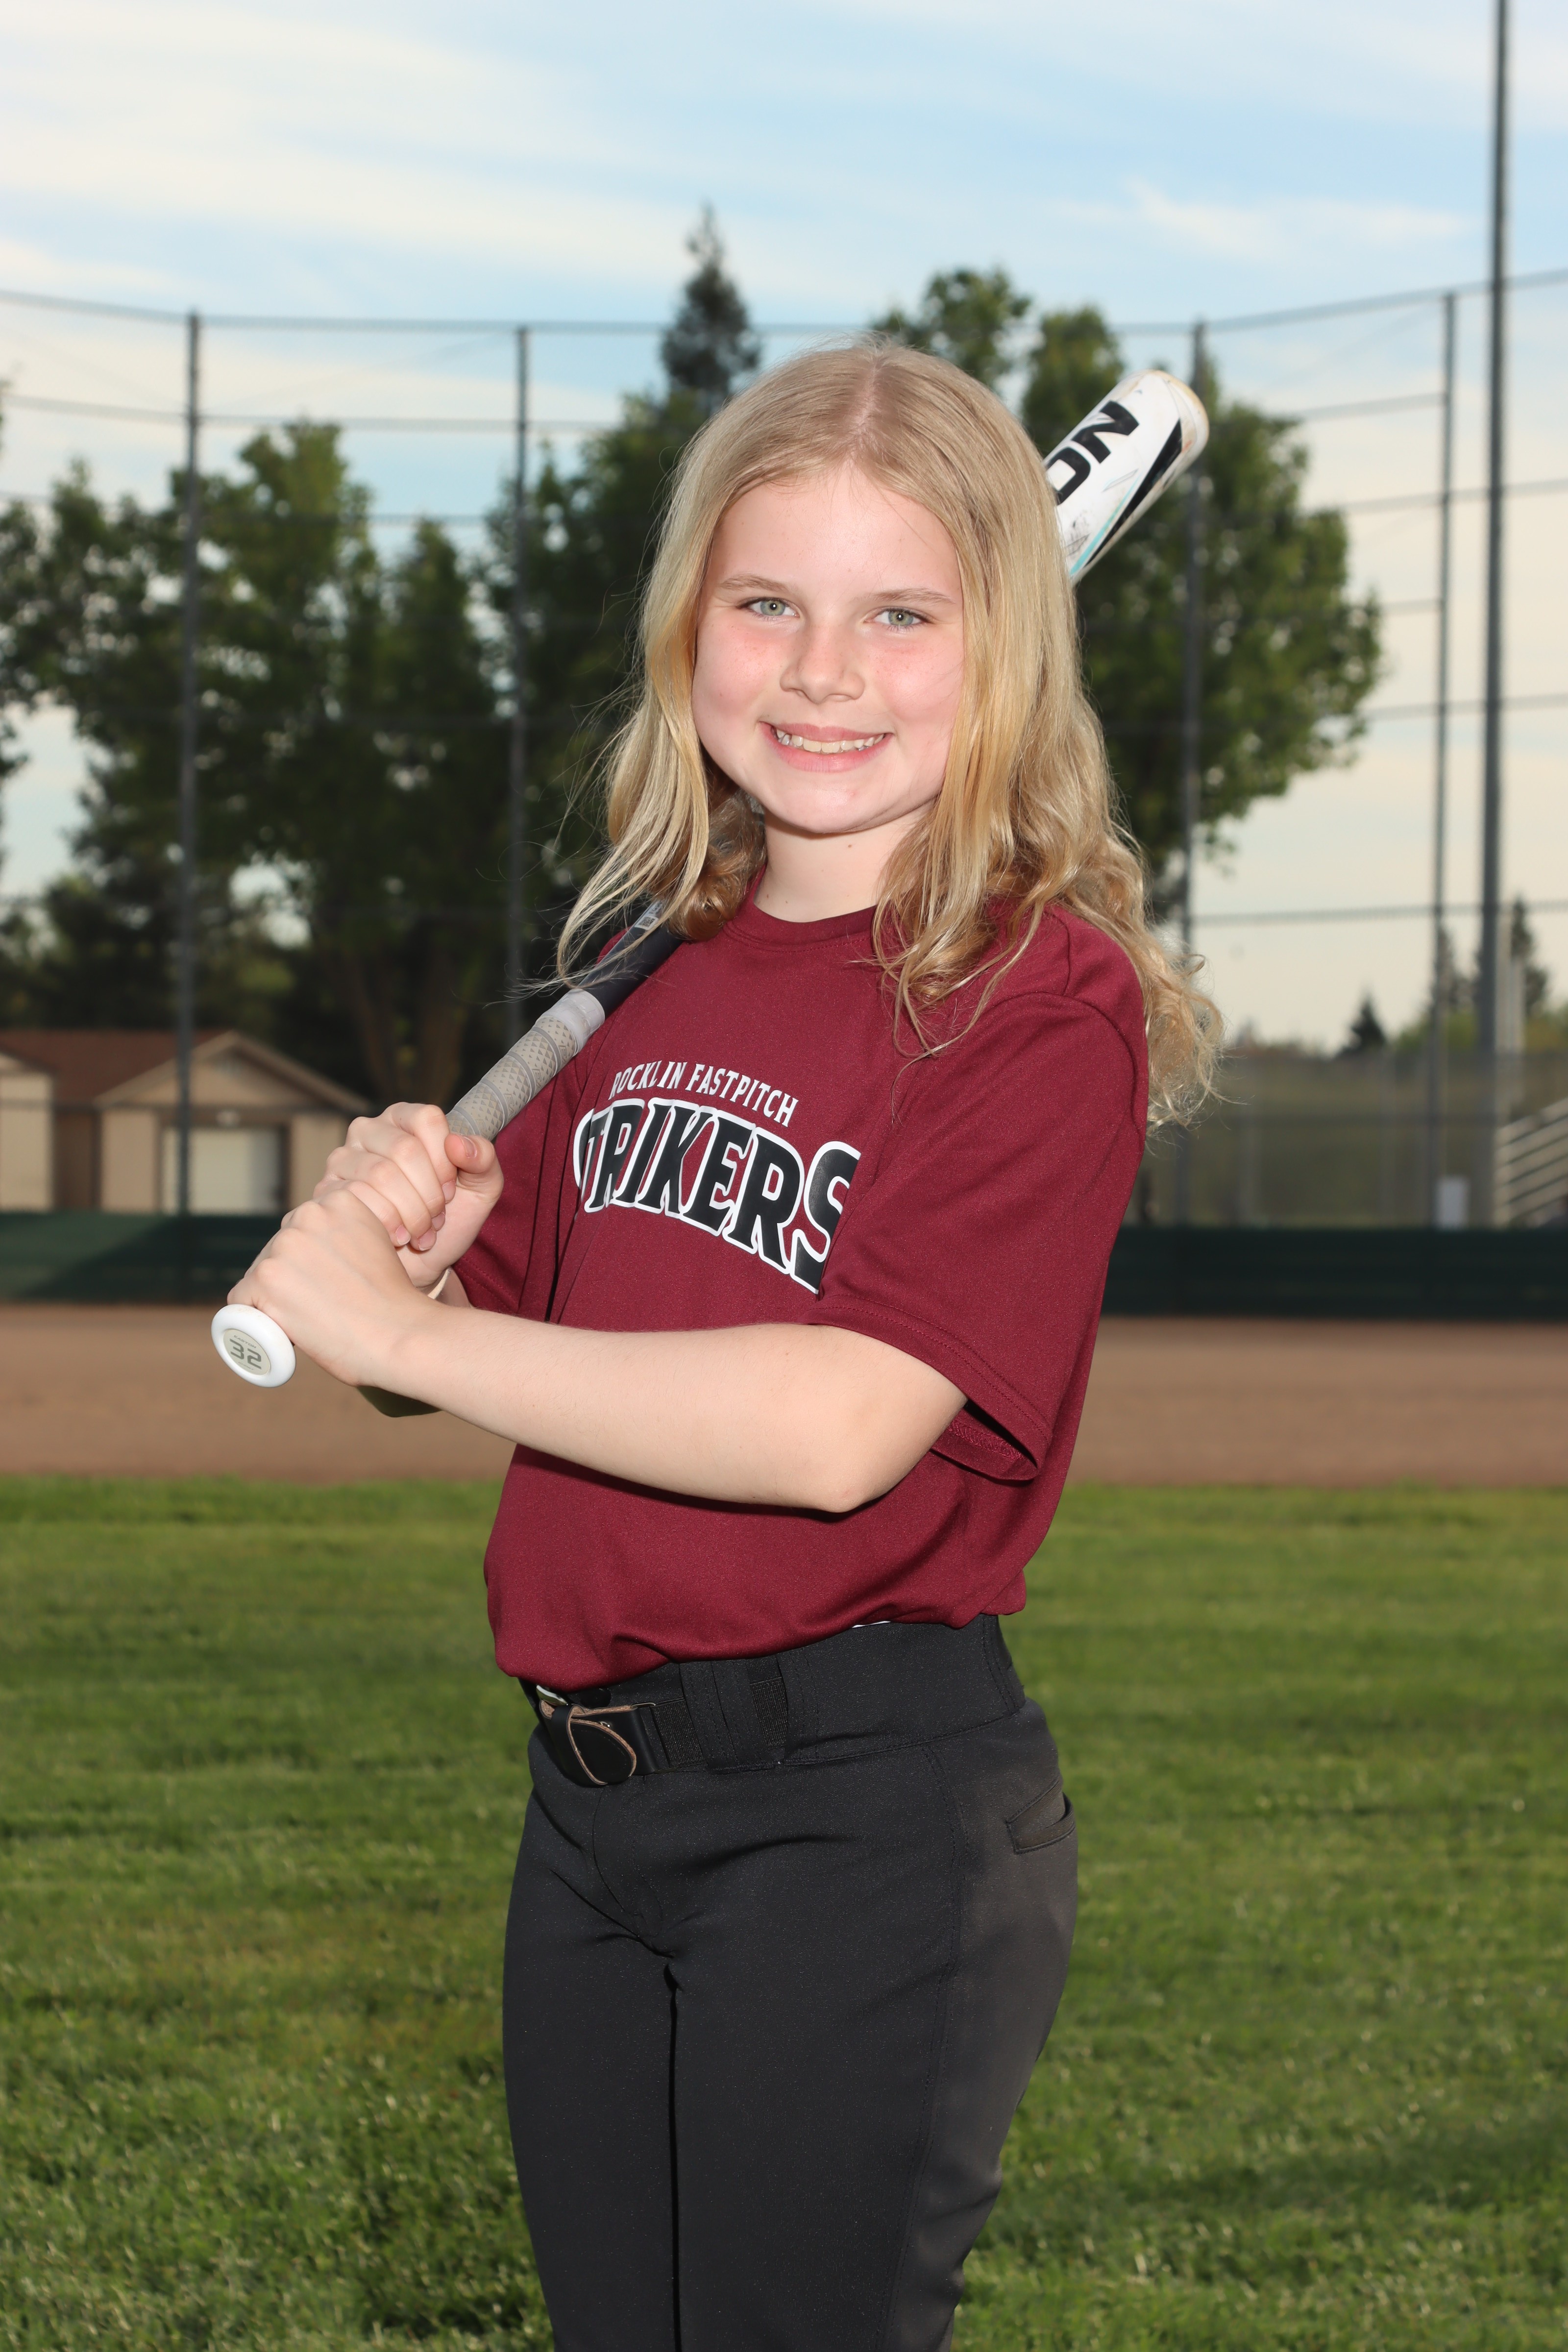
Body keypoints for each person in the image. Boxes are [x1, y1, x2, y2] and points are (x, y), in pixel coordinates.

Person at [231, 339, 1216, 2352]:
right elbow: (469, 1356)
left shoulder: (1037, 997)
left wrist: (403, 1328)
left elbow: (838, 1426)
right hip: (593, 1809)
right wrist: (417, 1265)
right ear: (689, 628)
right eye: (767, 603)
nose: (823, 672)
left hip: (857, 1821)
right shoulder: (653, 969)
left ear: (1002, 652)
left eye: (901, 615)